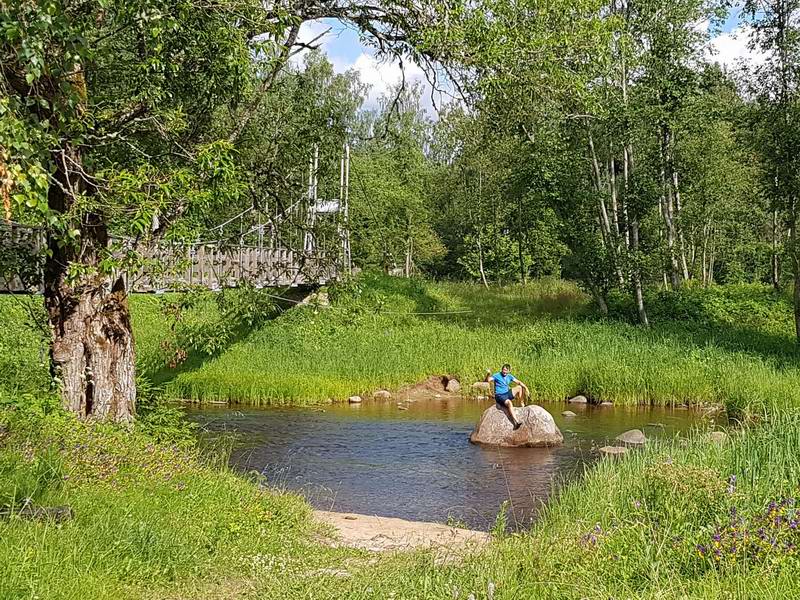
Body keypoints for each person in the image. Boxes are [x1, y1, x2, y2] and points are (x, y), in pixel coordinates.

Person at [484, 364, 529, 430]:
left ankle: (522, 404)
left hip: (506, 394)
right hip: (499, 395)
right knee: (509, 403)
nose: (504, 372)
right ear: (501, 370)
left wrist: (526, 387)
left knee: (519, 388)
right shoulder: (496, 375)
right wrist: (488, 374)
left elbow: (518, 382)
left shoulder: (509, 376)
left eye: (506, 370)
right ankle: (516, 423)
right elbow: (487, 381)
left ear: (509, 371)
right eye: (503, 370)